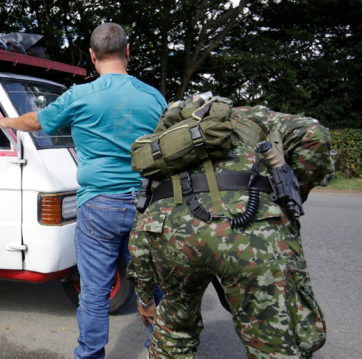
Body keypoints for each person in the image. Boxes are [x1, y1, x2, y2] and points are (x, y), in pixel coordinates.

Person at [0, 23, 167, 359]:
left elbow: (34, 122)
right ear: (127, 51)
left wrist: (4, 122)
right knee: (154, 282)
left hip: (98, 205)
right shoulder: (154, 97)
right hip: (146, 206)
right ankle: (162, 348)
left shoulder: (79, 96)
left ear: (92, 55)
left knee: (95, 291)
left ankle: (90, 354)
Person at [128, 104, 332, 358]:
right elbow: (314, 134)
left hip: (172, 236)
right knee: (270, 337)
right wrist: (291, 193)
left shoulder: (166, 140)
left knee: (174, 326)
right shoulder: (251, 115)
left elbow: (142, 224)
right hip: (252, 232)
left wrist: (145, 296)